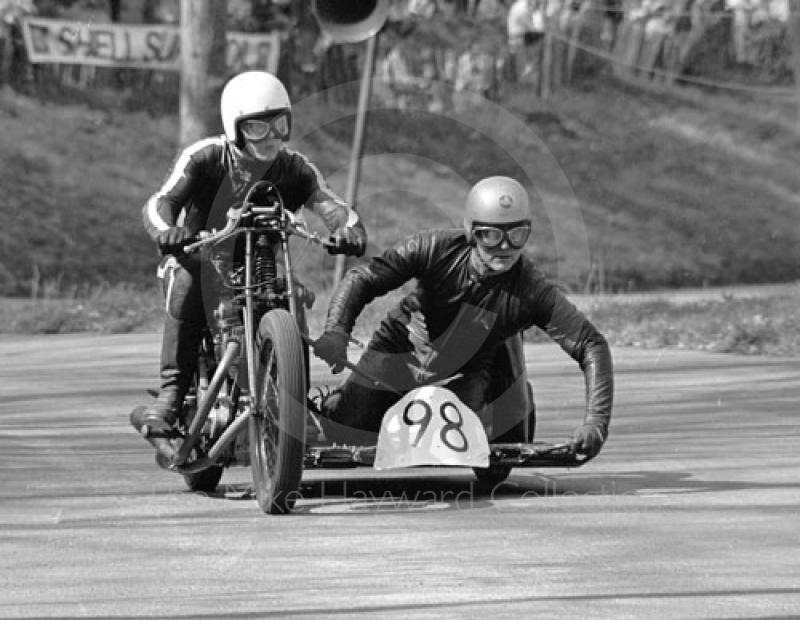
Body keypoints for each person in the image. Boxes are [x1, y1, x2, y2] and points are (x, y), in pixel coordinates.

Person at [313, 176, 613, 459]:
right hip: (398, 352)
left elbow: (590, 344)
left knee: (443, 446)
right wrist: (337, 330)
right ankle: (335, 403)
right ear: (472, 232)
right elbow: (363, 278)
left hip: (468, 372)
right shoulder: (432, 248)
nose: (505, 247)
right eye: (492, 235)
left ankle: (507, 406)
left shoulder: (532, 289)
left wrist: (595, 422)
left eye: (517, 234)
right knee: (347, 433)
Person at [141, 70, 367, 431]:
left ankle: (297, 402)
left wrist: (348, 229)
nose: (271, 137)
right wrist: (169, 232)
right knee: (185, 278)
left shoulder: (294, 167)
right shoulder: (206, 156)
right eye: (257, 128)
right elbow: (161, 200)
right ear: (235, 126)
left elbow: (333, 205)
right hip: (202, 258)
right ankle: (172, 392)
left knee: (291, 296)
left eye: (280, 125)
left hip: (265, 266)